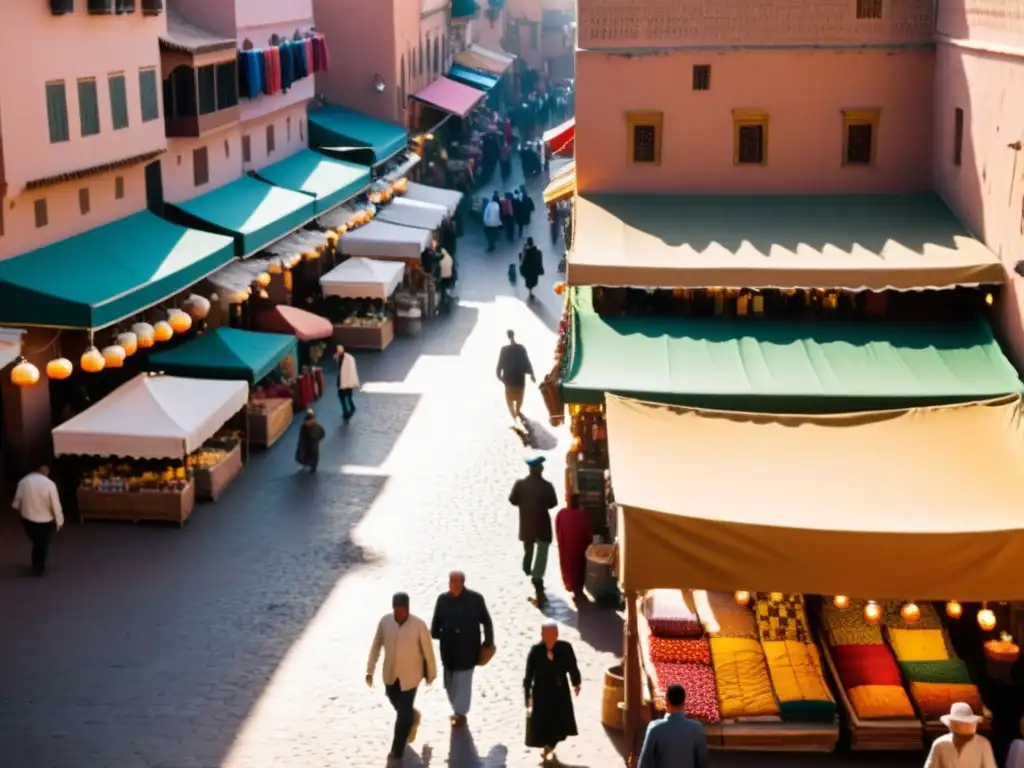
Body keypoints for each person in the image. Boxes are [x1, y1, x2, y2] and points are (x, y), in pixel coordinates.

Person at [366, 592, 437, 765]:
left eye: (401, 610)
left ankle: (396, 753)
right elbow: (376, 646)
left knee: (402, 715)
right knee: (400, 707)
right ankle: (413, 716)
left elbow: (428, 651)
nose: (398, 613)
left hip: (411, 676)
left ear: (407, 609)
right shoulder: (385, 622)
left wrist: (431, 673)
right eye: (395, 609)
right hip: (390, 676)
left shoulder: (418, 625)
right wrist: (370, 670)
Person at [430, 570, 495, 728]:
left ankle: (461, 714)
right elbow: (435, 627)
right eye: (452, 582)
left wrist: (488, 643)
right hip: (448, 652)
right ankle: (457, 709)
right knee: (449, 684)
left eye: (457, 582)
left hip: (468, 651)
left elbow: (486, 621)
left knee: (464, 683)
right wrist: (444, 635)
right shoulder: (443, 600)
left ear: (463, 582)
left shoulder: (475, 599)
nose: (454, 585)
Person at [524, 621, 581, 763]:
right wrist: (527, 696)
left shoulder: (565, 648)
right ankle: (547, 745)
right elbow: (529, 675)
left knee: (558, 721)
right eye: (546, 635)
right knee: (543, 721)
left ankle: (550, 745)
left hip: (559, 692)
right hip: (541, 692)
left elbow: (572, 667)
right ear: (542, 636)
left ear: (556, 635)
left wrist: (576, 682)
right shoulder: (536, 651)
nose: (549, 639)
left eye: (552, 635)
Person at [509, 455, 559, 604]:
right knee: (542, 554)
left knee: (528, 548)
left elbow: (512, 500)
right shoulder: (547, 486)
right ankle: (537, 580)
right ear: (540, 469)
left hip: (526, 526)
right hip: (542, 526)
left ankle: (526, 567)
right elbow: (553, 504)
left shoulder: (520, 484)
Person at [638, 683, 711, 768]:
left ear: (666, 701)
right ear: (684, 701)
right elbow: (702, 762)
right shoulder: (696, 728)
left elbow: (645, 763)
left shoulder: (654, 728)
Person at [13, 465, 64, 577]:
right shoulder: (50, 485)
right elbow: (55, 505)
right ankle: (39, 567)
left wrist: (20, 509)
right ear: (46, 473)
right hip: (44, 520)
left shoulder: (24, 481)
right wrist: (59, 520)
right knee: (43, 544)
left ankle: (36, 563)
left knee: (36, 542)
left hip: (27, 518)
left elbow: (17, 500)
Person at [924, 702, 995, 768]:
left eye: (969, 723)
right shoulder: (940, 744)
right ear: (952, 725)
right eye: (963, 724)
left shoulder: (983, 744)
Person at [555, 493, 593, 600]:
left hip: (567, 548)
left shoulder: (562, 514)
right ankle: (578, 590)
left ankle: (574, 588)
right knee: (579, 568)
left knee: (570, 569)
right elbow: (588, 532)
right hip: (580, 547)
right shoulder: (582, 515)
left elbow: (558, 531)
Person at [496, 329, 535, 423]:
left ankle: (514, 415)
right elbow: (527, 362)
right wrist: (532, 374)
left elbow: (500, 364)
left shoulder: (504, 350)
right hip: (519, 380)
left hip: (508, 380)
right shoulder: (521, 348)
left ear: (507, 336)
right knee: (519, 398)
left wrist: (499, 376)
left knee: (509, 400)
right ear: (514, 335)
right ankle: (517, 410)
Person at [336, 345, 360, 422]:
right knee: (348, 397)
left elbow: (343, 372)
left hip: (345, 383)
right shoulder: (348, 358)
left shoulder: (345, 359)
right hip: (348, 382)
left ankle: (347, 412)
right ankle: (351, 408)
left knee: (343, 397)